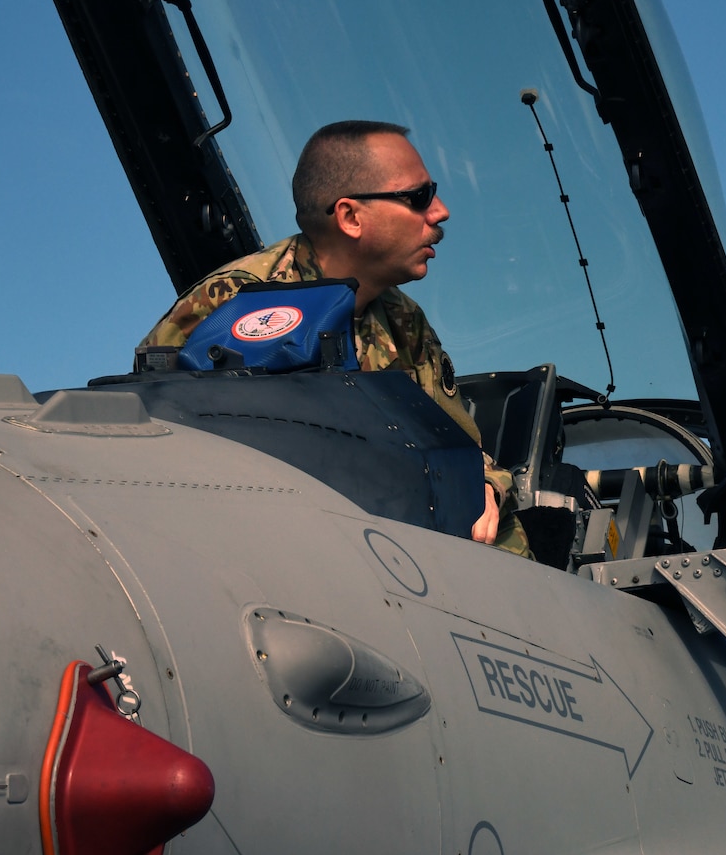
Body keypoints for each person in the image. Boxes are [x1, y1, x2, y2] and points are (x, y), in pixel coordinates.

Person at [140, 120, 530, 558]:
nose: (440, 212)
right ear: (349, 216)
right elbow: (153, 445)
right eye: (418, 197)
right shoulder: (234, 303)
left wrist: (486, 487)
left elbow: (458, 448)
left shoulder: (403, 319)